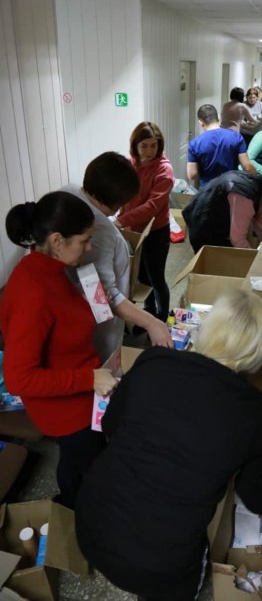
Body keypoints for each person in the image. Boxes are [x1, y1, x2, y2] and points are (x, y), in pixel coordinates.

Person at [75, 289, 262, 601]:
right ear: (259, 351)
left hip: (91, 526)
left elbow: (110, 425)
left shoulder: (154, 360)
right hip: (160, 563)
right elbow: (258, 500)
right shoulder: (258, 414)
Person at [0, 191, 119, 508]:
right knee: (83, 463)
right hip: (65, 407)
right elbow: (18, 379)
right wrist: (89, 379)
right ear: (57, 240)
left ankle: (75, 500)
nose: (89, 247)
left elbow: (63, 321)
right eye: (84, 240)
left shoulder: (48, 268)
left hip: (83, 383)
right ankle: (73, 509)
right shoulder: (33, 292)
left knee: (88, 458)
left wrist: (93, 305)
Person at [63, 152, 172, 361]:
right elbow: (104, 296)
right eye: (121, 204)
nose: (120, 209)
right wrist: (151, 322)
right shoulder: (99, 230)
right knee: (104, 364)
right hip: (97, 332)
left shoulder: (69, 191)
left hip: (80, 315)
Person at [115, 122, 174, 324]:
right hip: (133, 231)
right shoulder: (129, 164)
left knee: (156, 278)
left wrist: (121, 220)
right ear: (135, 145)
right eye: (144, 146)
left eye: (154, 145)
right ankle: (148, 315)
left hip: (156, 231)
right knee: (142, 278)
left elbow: (153, 205)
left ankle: (162, 320)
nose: (149, 151)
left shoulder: (164, 169)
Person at [182, 170, 262, 252]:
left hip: (212, 215)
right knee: (216, 265)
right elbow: (237, 239)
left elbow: (260, 222)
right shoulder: (245, 197)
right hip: (203, 222)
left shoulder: (261, 187)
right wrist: (253, 257)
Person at [187, 104, 254, 186]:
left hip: (208, 189)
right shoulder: (236, 137)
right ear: (218, 117)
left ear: (200, 122)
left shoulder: (195, 143)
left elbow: (192, 175)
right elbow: (247, 167)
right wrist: (260, 178)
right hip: (231, 186)